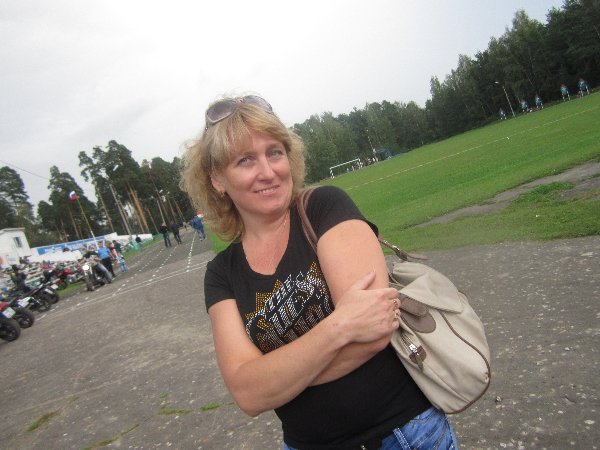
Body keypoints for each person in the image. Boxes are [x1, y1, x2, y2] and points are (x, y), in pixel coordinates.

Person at [181, 95, 457, 449]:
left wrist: (275, 378)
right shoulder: (222, 274)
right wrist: (340, 326)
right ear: (218, 179)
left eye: (275, 152)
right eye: (245, 160)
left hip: (405, 434)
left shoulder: (324, 208)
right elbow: (247, 395)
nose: (267, 171)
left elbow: (375, 328)